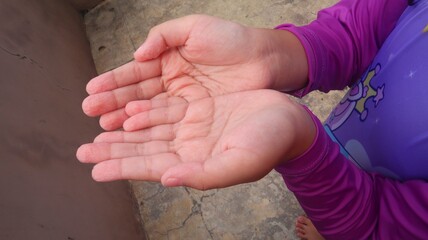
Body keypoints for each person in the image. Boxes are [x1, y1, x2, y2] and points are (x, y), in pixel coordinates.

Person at [76, 0, 428, 238]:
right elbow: (358, 31)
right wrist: (270, 54)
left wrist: (300, 144)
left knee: (347, 227)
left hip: (382, 215)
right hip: (351, 136)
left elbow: (384, 226)